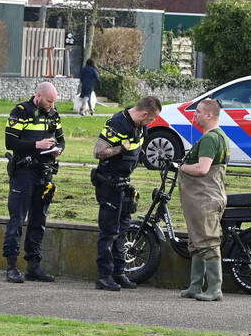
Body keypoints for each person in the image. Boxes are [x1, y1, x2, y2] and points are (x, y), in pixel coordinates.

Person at [91, 96, 163, 291]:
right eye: (151, 119)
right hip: (108, 183)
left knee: (123, 228)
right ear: (145, 113)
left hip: (124, 184)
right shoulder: (117, 123)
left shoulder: (140, 126)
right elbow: (98, 151)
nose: (152, 123)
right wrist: (121, 148)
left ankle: (119, 272)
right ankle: (104, 276)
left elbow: (137, 149)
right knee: (109, 231)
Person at [3, 82, 64, 283]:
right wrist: (36, 145)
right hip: (24, 172)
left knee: (39, 220)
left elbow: (61, 140)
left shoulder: (53, 114)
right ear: (38, 96)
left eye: (54, 101)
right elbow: (10, 142)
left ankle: (34, 266)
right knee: (17, 219)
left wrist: (57, 149)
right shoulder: (21, 112)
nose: (52, 105)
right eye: (49, 101)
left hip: (44, 173)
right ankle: (11, 266)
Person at [178, 99, 230, 302]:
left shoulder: (210, 139)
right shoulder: (221, 137)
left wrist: (180, 167)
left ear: (209, 115)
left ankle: (214, 288)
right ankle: (195, 285)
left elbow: (202, 169)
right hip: (207, 196)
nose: (194, 115)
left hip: (204, 198)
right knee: (197, 241)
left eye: (198, 112)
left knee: (207, 241)